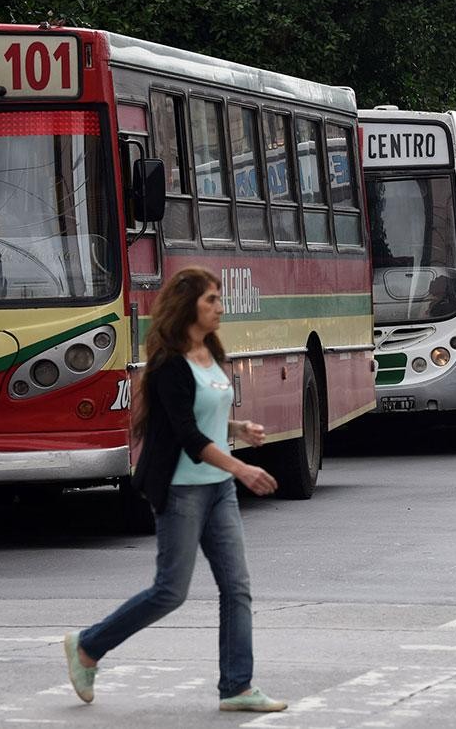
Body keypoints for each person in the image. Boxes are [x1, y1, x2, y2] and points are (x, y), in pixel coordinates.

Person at [63, 266, 288, 713]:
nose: (220, 308)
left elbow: (201, 419)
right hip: (183, 489)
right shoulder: (169, 363)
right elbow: (186, 434)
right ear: (189, 307)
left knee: (237, 587)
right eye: (211, 300)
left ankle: (237, 687)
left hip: (217, 489)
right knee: (170, 591)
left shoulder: (211, 351)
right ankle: (88, 646)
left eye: (219, 299)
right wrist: (242, 468)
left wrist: (237, 427)